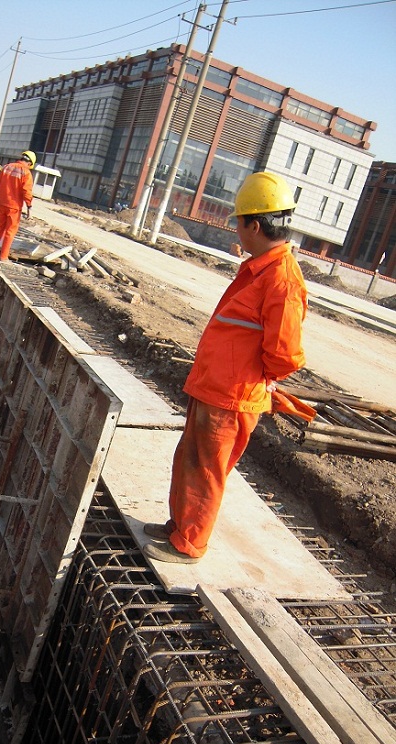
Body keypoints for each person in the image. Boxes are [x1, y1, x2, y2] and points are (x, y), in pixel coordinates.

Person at [143, 171, 307, 564]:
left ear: (255, 224)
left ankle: (190, 544)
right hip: (215, 387)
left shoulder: (282, 281)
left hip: (233, 396)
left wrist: (255, 380)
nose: (236, 230)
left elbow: (284, 354)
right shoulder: (259, 268)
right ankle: (179, 526)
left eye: (238, 222)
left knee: (206, 470)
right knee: (190, 459)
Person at [0, 149, 36, 262]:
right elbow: (26, 191)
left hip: (2, 203)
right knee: (10, 231)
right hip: (14, 206)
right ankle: (3, 256)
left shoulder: (7, 167)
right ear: (30, 163)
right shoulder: (26, 173)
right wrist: (29, 206)